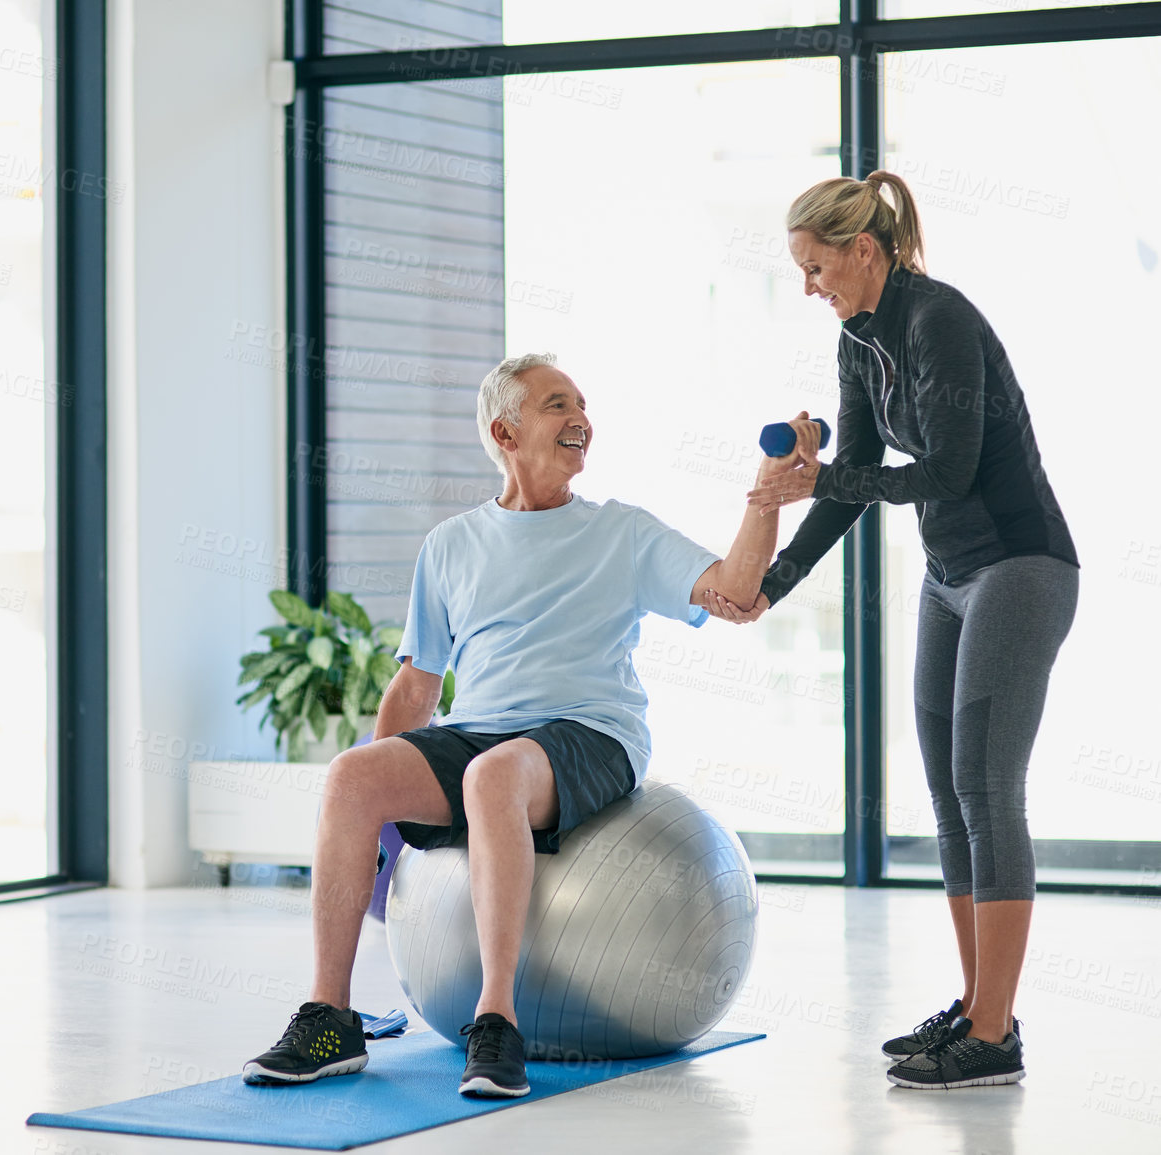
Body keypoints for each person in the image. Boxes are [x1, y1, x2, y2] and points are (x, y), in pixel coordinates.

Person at [242, 352, 813, 1097]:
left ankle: (496, 1020)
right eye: (555, 404)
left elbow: (736, 588)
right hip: (479, 731)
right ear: (505, 432)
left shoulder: (622, 532)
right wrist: (379, 824)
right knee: (353, 773)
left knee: (494, 774)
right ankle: (329, 1018)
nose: (580, 417)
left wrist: (766, 496)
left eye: (580, 402)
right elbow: (417, 685)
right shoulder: (450, 543)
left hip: (588, 732)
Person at [704, 171, 1079, 1091]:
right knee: (948, 797)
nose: (807, 286)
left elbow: (946, 474)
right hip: (950, 576)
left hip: (1019, 566)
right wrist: (777, 581)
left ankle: (992, 1033)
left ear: (863, 250)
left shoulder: (934, 318)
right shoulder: (857, 339)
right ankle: (977, 1007)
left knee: (985, 784)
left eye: (815, 265)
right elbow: (861, 475)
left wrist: (816, 481)